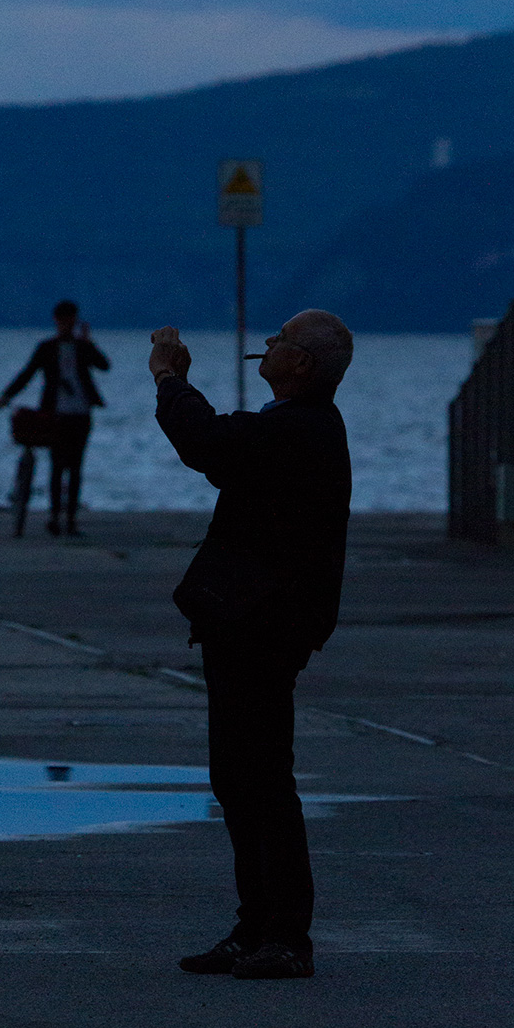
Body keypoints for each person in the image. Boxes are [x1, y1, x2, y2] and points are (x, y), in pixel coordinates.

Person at [149, 309, 353, 980]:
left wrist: (170, 380)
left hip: (264, 624)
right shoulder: (291, 430)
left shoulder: (300, 428)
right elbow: (229, 458)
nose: (267, 344)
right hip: (248, 620)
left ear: (302, 364)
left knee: (262, 778)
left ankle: (287, 935)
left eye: (281, 340)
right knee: (238, 777)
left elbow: (208, 443)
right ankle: (255, 926)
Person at [0, 301, 110, 535]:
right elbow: (27, 373)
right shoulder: (47, 348)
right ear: (57, 320)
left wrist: (89, 342)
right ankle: (55, 517)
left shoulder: (81, 346)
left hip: (81, 413)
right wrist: (7, 394)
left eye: (71, 320)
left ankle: (70, 520)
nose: (68, 324)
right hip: (55, 414)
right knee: (57, 466)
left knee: (76, 467)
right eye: (65, 320)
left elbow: (104, 365)